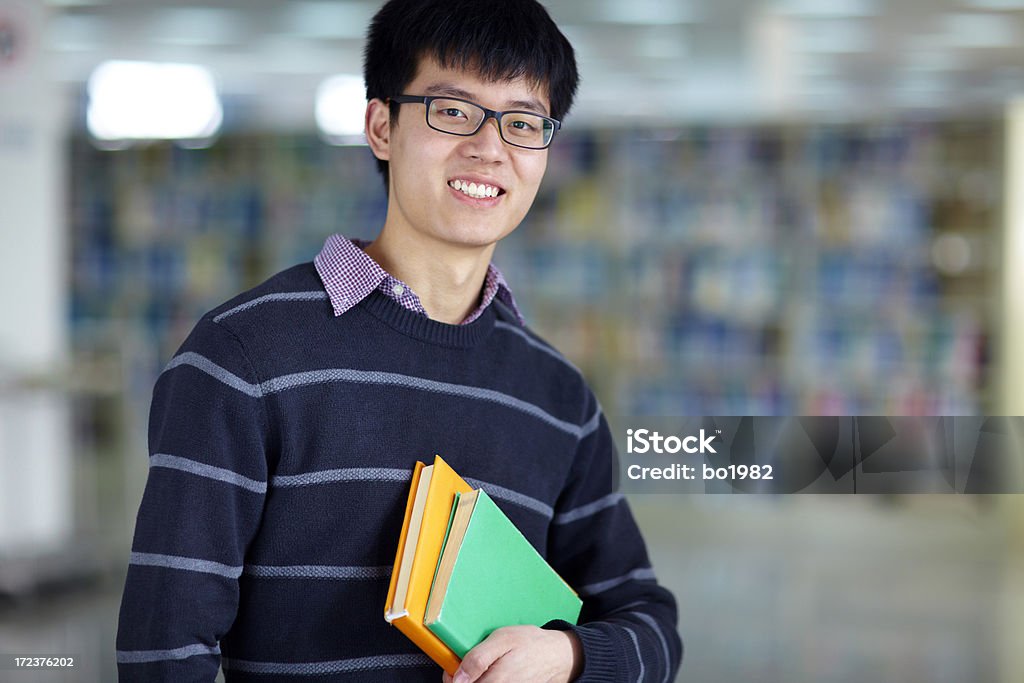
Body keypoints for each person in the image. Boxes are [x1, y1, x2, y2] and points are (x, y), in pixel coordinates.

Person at [116, 0, 683, 680]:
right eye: (452, 111)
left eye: (523, 122)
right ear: (381, 126)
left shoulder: (559, 399)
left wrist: (569, 653)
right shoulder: (241, 358)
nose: (490, 146)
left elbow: (651, 624)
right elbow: (163, 652)